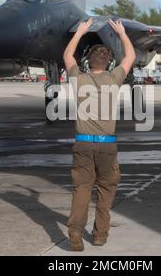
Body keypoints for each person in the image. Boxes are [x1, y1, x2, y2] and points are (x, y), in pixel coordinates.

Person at [63, 18, 136, 251]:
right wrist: (122, 33)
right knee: (106, 190)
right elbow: (131, 57)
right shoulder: (114, 78)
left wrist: (80, 32)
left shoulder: (78, 78)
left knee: (81, 189)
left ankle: (75, 233)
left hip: (82, 146)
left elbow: (67, 56)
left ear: (87, 62)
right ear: (108, 62)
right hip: (107, 147)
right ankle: (100, 235)